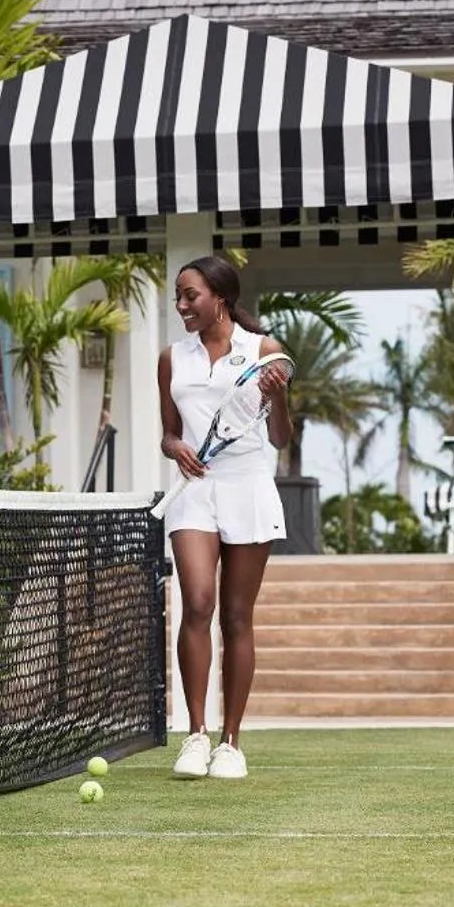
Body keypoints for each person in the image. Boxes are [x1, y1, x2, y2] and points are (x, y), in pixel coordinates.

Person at [158, 254, 291, 781]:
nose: (182, 305)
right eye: (179, 295)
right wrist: (175, 449)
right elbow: (168, 432)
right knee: (196, 603)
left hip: (249, 485)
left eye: (190, 295)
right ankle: (195, 734)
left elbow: (280, 435)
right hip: (195, 490)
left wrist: (277, 399)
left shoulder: (264, 351)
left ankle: (231, 743)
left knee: (236, 617)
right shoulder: (172, 357)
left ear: (220, 297)